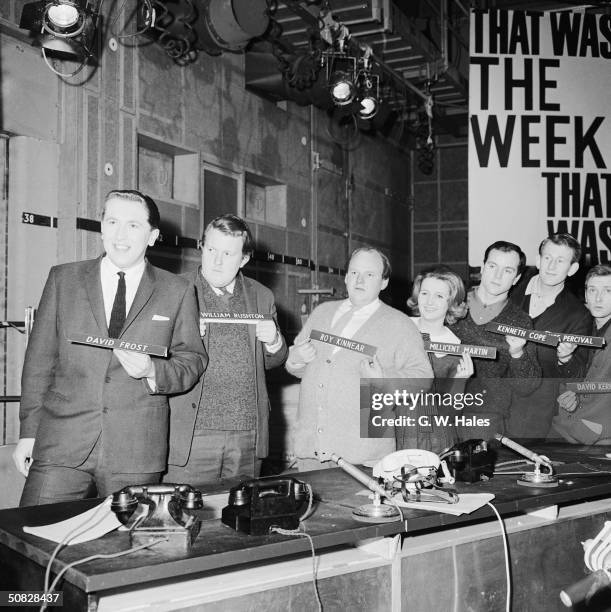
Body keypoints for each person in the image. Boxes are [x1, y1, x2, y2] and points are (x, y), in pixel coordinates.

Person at [13, 190, 207, 506]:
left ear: (153, 235)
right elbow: (38, 362)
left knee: (128, 551)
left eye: (133, 225)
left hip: (136, 451)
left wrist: (153, 370)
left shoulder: (178, 290)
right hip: (60, 443)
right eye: (113, 221)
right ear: (102, 227)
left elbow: (193, 360)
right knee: (33, 541)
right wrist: (28, 433)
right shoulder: (64, 279)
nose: (120, 234)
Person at [165, 214, 288, 485]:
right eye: (211, 250)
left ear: (244, 259)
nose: (217, 261)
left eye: (228, 253)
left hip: (247, 434)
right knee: (185, 515)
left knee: (241, 517)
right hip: (193, 433)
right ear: (201, 247)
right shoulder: (174, 290)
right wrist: (179, 338)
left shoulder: (261, 295)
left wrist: (274, 341)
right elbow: (156, 356)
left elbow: (274, 360)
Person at [286, 247, 433, 469]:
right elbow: (298, 366)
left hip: (363, 454)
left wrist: (383, 378)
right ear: (346, 277)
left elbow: (423, 378)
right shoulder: (322, 312)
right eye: (354, 273)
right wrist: (295, 358)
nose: (360, 280)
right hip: (312, 451)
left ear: (383, 282)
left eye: (370, 274)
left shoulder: (399, 324)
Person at [452, 241, 541, 438]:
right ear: (482, 268)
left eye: (507, 270)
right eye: (493, 266)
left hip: (484, 416)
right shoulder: (451, 304)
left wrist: (518, 354)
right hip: (439, 406)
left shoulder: (520, 321)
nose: (498, 276)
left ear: (517, 278)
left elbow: (527, 386)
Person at [506, 233, 591, 439]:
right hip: (491, 404)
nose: (551, 266)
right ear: (538, 260)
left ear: (572, 269)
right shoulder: (508, 290)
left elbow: (578, 375)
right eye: (547, 258)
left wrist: (566, 358)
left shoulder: (578, 314)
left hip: (533, 417)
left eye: (560, 261)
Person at [405, 265, 473, 452]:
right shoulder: (399, 327)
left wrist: (460, 382)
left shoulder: (455, 348)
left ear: (452, 303)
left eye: (439, 296)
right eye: (425, 293)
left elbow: (450, 414)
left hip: (432, 439)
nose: (429, 301)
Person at [551, 265, 611, 444]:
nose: (598, 298)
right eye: (592, 290)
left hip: (602, 436)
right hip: (566, 428)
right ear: (585, 295)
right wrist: (565, 362)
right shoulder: (581, 325)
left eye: (608, 291)